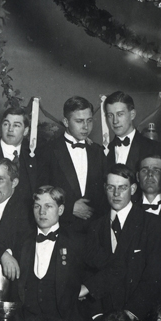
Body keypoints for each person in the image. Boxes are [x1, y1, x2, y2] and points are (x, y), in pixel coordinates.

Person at [0, 186, 92, 321]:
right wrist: (4, 254)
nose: (42, 212)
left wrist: (86, 288)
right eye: (37, 206)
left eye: (48, 206)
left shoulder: (77, 240)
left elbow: (112, 267)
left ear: (61, 210)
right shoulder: (23, 241)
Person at [81, 164, 161, 321]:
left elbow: (156, 276)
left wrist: (130, 314)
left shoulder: (150, 224)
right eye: (111, 187)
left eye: (122, 187)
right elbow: (89, 273)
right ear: (105, 188)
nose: (116, 193)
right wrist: (98, 317)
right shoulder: (95, 227)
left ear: (133, 189)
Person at [33, 96, 105, 233]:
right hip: (62, 231)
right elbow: (39, 192)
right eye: (79, 121)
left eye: (89, 121)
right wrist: (69, 207)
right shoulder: (47, 151)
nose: (86, 127)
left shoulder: (98, 151)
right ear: (66, 122)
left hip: (94, 232)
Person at [103, 91, 161, 172]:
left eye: (120, 114)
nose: (115, 121)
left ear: (132, 114)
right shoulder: (103, 151)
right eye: (110, 115)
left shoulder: (154, 148)